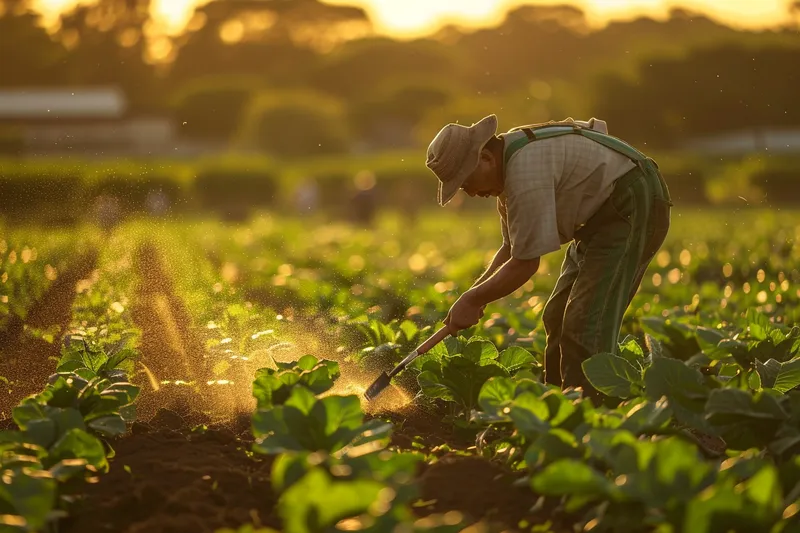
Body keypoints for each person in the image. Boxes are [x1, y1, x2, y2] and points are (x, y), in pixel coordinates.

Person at [425, 114, 672, 401]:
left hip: (631, 202)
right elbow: (511, 249)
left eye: (466, 182)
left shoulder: (525, 172)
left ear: (485, 158)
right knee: (556, 314)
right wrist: (473, 294)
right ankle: (558, 404)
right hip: (598, 218)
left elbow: (525, 264)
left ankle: (593, 413)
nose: (471, 193)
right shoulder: (508, 167)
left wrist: (473, 300)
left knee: (586, 320)